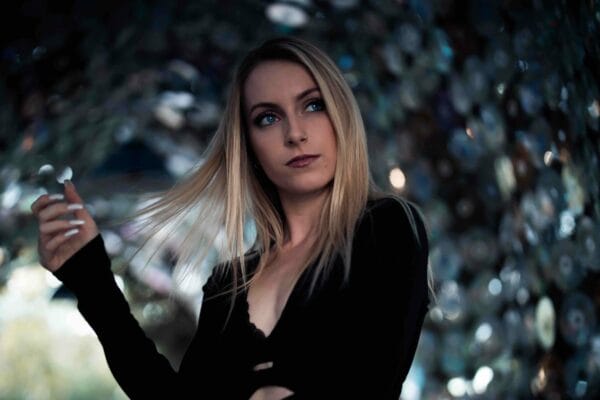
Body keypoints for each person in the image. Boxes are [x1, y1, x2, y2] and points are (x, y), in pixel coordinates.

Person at [31, 36, 431, 399]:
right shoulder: (227, 285)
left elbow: (367, 382)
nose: (296, 133)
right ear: (248, 144)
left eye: (313, 105)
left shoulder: (388, 227)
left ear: (341, 116)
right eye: (268, 118)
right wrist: (91, 277)